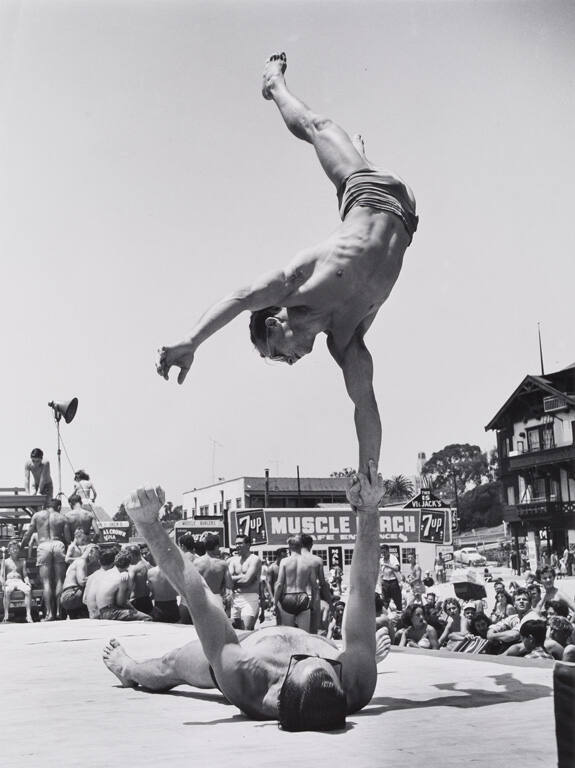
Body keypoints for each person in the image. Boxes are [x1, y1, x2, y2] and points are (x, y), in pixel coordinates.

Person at [156, 53, 418, 474]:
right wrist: (370, 473)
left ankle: (273, 84)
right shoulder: (345, 339)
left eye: (277, 354)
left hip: (364, 190)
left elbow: (241, 297)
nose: (290, 361)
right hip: (406, 213)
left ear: (275, 323)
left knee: (318, 127)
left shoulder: (293, 286)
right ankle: (362, 152)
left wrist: (191, 341)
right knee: (342, 147)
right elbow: (364, 402)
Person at [102, 465, 388, 731]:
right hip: (265, 640)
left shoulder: (247, 678)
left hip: (242, 648)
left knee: (172, 664)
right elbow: (361, 587)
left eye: (304, 660)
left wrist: (148, 525)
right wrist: (370, 510)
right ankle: (359, 650)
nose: (317, 656)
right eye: (328, 664)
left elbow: (198, 593)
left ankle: (128, 669)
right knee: (359, 655)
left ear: (281, 685)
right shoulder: (355, 681)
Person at [21, 498, 71, 621]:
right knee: (59, 580)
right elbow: (69, 539)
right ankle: (59, 612)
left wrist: (22, 546)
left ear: (45, 506)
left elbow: (28, 534)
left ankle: (49, 614)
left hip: (44, 545)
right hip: (58, 544)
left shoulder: (37, 516)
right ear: (58, 507)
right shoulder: (62, 518)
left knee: (46, 582)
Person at [84, 548, 151, 621]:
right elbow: (121, 602)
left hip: (97, 612)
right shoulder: (123, 576)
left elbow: (85, 599)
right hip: (110, 612)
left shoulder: (106, 573)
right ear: (128, 565)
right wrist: (135, 610)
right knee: (147, 618)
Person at [274, 535, 316, 632]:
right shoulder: (309, 562)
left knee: (289, 634)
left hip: (288, 597)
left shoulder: (284, 561)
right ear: (301, 545)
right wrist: (312, 602)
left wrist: (275, 602)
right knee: (304, 634)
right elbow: (315, 586)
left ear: (289, 546)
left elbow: (279, 584)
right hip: (303, 597)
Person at [487, 588, 540, 655]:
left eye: (524, 599)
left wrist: (493, 636)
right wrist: (491, 633)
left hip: (532, 653)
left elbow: (513, 636)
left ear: (530, 603)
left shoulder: (532, 616)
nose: (521, 601)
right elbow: (495, 627)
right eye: (518, 600)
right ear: (514, 604)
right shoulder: (515, 617)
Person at [301, 534, 333, 635]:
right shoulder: (317, 560)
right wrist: (330, 602)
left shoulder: (290, 560)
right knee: (314, 631)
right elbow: (323, 584)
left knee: (300, 630)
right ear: (311, 545)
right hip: (313, 597)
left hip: (297, 596)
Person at [228, 534, 262, 630]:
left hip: (250, 598)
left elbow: (246, 581)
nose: (237, 546)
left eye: (240, 543)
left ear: (248, 545)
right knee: (235, 632)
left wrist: (235, 579)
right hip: (235, 599)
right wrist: (242, 577)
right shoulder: (233, 560)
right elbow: (227, 579)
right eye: (236, 544)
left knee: (246, 630)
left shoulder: (254, 559)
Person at [193, 533, 233, 612]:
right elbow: (229, 585)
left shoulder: (196, 562)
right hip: (216, 599)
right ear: (216, 547)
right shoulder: (222, 564)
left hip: (201, 598)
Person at [60, 544, 100, 619]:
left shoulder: (76, 562)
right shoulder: (81, 562)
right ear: (90, 552)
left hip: (68, 595)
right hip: (71, 595)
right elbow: (82, 582)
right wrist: (96, 576)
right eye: (96, 556)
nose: (96, 559)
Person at [1, 540, 33, 623]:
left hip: (19, 581)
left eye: (16, 549)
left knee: (28, 590)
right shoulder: (5, 561)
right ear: (9, 551)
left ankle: (28, 615)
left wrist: (27, 581)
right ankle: (6, 614)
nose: (15, 550)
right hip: (9, 581)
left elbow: (25, 575)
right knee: (7, 591)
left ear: (19, 550)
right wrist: (2, 583)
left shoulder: (22, 562)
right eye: (12, 549)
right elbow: (1, 575)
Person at [147, 556, 180, 623]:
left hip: (159, 606)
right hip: (173, 606)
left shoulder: (150, 572)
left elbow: (151, 591)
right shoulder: (175, 572)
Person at [126, 544, 153, 615]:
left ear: (133, 555)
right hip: (148, 601)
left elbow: (129, 588)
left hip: (136, 601)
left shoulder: (134, 569)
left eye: (129, 556)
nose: (128, 559)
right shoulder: (149, 566)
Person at [267, 548, 287, 624]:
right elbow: (268, 583)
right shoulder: (272, 568)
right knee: (279, 616)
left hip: (287, 595)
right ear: (278, 556)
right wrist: (272, 597)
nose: (286, 558)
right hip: (276, 596)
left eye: (286, 556)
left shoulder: (286, 566)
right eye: (284, 556)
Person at [379, 544, 401, 610]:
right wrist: (381, 583)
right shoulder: (381, 560)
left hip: (393, 582)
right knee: (385, 602)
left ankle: (399, 615)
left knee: (397, 600)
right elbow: (380, 573)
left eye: (384, 552)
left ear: (388, 551)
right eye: (382, 552)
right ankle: (385, 617)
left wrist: (388, 565)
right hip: (385, 582)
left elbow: (397, 568)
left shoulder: (393, 558)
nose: (383, 554)